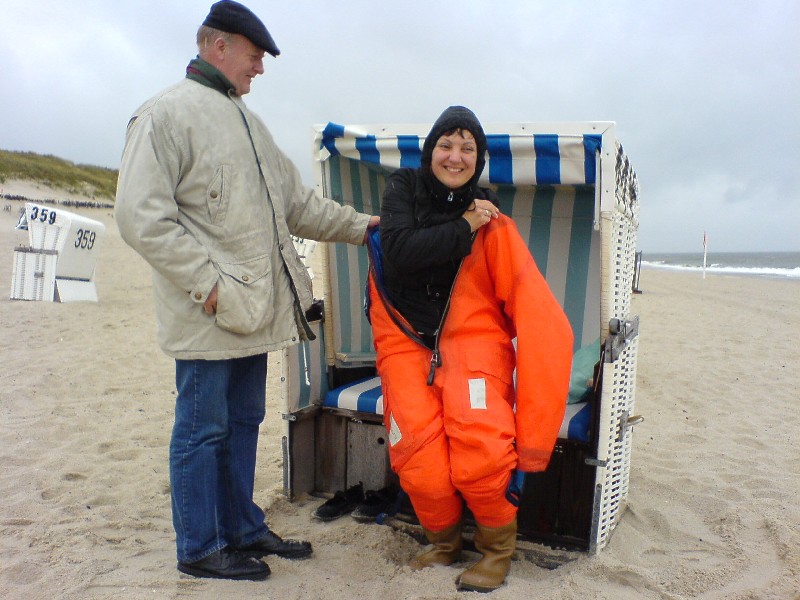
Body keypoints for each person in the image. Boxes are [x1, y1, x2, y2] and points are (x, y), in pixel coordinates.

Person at [115, 0, 378, 582]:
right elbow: (139, 217)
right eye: (255, 56)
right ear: (219, 46)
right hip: (208, 314)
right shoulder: (163, 115)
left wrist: (366, 227)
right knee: (201, 431)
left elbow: (298, 205)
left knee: (241, 424)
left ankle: (241, 527)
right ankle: (199, 546)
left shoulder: (249, 124)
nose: (260, 67)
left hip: (254, 312)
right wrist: (207, 285)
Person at [367, 106, 573, 592]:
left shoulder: (493, 221)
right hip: (406, 344)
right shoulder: (403, 190)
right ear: (430, 150)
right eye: (446, 144)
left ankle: (497, 550)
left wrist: (534, 443)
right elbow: (399, 251)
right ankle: (443, 544)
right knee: (418, 459)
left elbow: (544, 323)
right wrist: (464, 223)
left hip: (473, 345)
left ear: (478, 160)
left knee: (482, 453)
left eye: (467, 148)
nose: (455, 156)